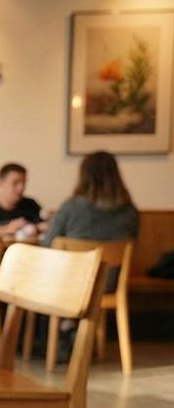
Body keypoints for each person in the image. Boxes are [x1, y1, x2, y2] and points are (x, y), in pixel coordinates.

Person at [43, 151, 139, 362]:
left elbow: (48, 244)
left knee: (53, 277)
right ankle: (75, 329)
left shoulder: (71, 207)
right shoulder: (130, 212)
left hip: (71, 285)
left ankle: (65, 328)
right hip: (109, 284)